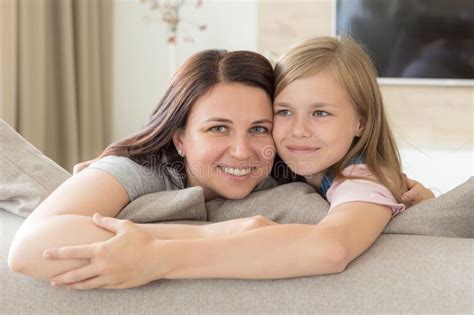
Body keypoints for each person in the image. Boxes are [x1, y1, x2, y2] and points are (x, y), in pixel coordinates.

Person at [8, 39, 433, 289]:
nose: (242, 151)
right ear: (179, 137)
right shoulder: (144, 168)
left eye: (261, 127)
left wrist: (422, 197)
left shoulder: (290, 164)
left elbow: (343, 223)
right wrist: (223, 231)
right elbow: (28, 249)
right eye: (217, 129)